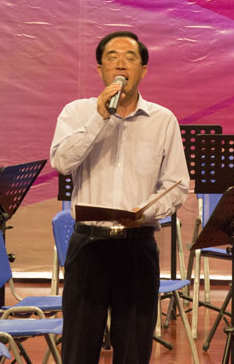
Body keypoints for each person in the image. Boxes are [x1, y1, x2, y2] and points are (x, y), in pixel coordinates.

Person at [50, 30, 190, 364]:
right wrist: (99, 118)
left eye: (130, 58)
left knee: (134, 350)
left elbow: (177, 184)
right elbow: (62, 163)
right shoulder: (76, 113)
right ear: (100, 69)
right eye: (111, 57)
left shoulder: (163, 120)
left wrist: (147, 211)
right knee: (78, 349)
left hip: (137, 244)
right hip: (89, 245)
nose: (121, 64)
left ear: (143, 69)